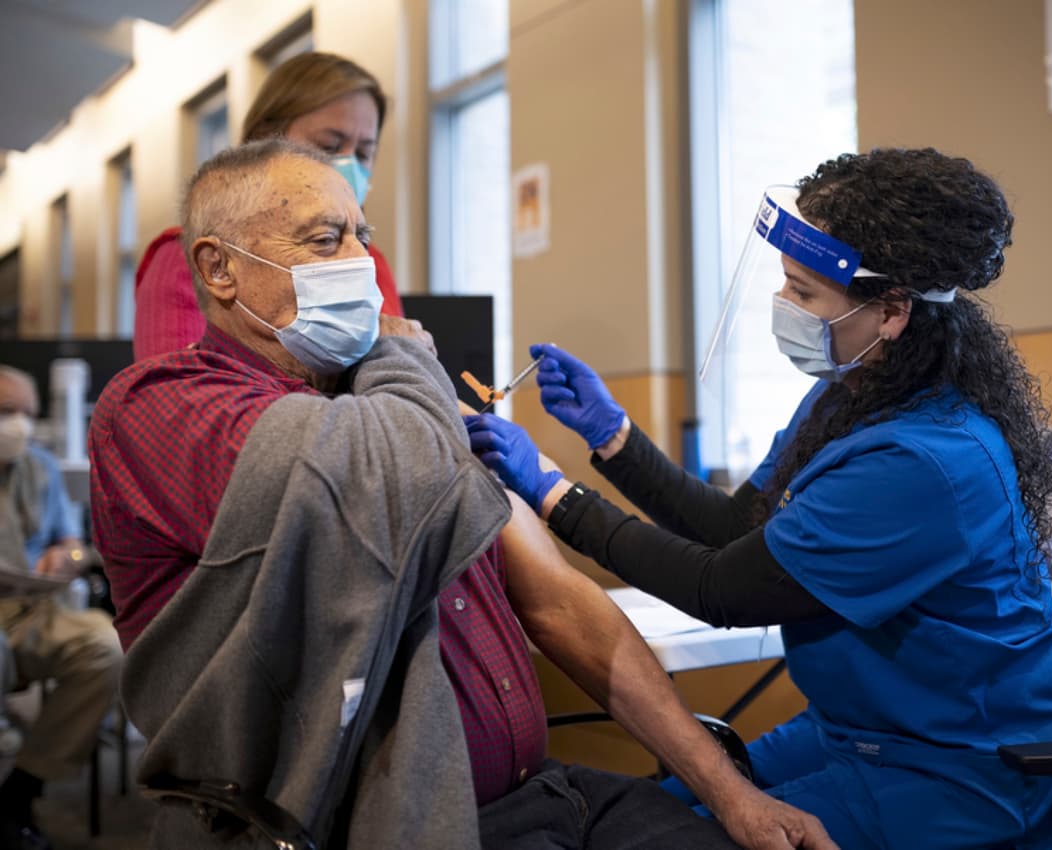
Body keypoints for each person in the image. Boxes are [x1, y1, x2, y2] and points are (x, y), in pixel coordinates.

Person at [89, 139, 835, 850]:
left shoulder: (385, 413)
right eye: (325, 241)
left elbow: (559, 602)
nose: (363, 266)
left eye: (362, 235)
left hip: (540, 794)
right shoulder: (164, 405)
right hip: (375, 825)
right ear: (219, 270)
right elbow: (376, 486)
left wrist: (729, 789)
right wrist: (404, 356)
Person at [464, 148, 1052, 849]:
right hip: (862, 736)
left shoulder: (928, 460)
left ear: (892, 311)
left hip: (974, 771)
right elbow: (736, 524)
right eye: (786, 285)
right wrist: (613, 438)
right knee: (652, 815)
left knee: (674, 838)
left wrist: (549, 492)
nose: (785, 307)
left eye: (806, 294)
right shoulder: (851, 394)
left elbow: (722, 588)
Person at [132, 51, 403, 362]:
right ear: (265, 139)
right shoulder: (185, 258)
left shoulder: (370, 261)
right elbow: (177, 391)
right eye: (328, 146)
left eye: (364, 153)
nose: (347, 165)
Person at [0, 366, 124, 849]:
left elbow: (72, 542)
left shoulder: (40, 467)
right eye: (6, 412)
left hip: (32, 609)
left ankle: (21, 791)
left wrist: (67, 556)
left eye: (28, 415)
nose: (19, 426)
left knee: (104, 645)